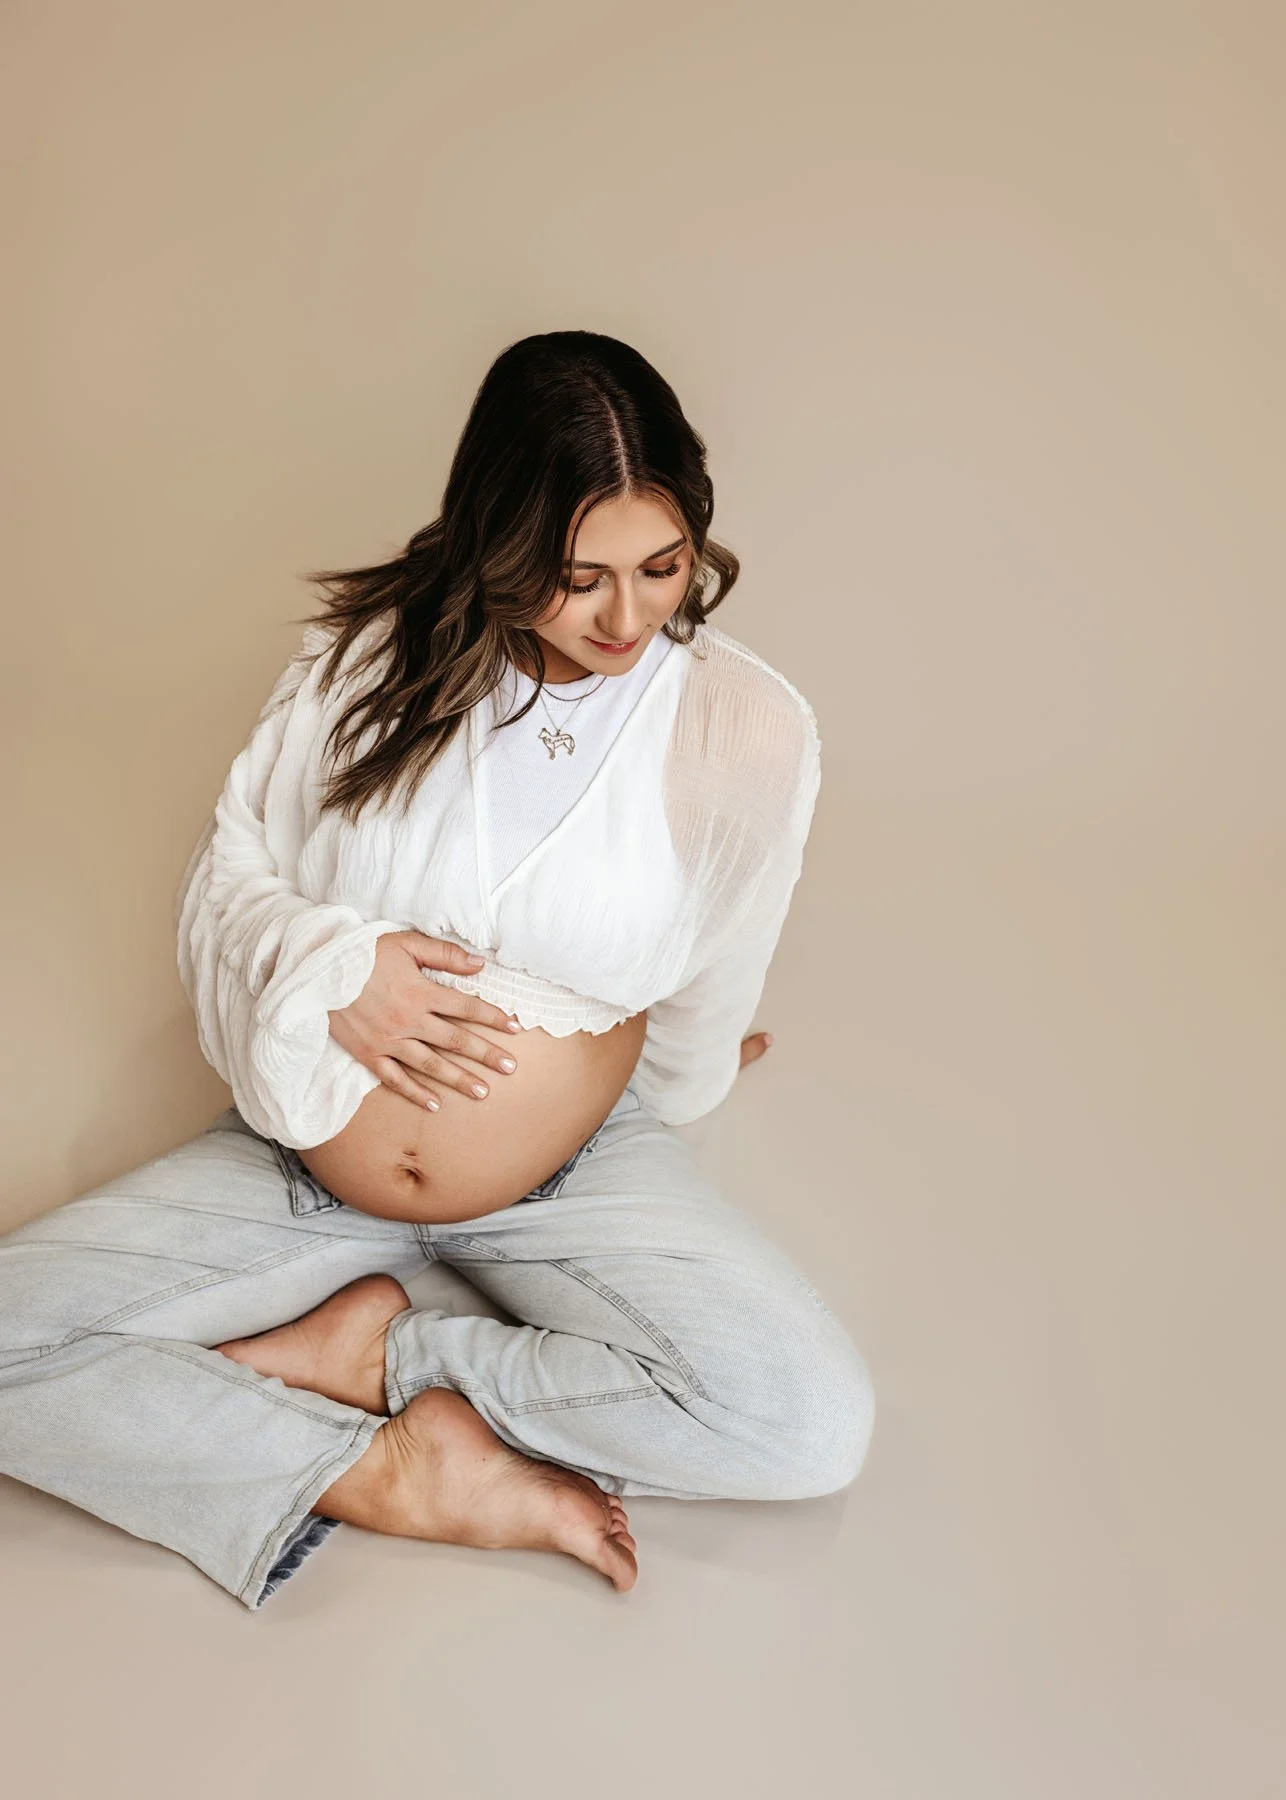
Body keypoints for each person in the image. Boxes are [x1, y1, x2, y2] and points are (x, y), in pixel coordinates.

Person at [0, 331, 875, 1610]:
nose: (626, 618)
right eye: (575, 579)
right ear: (497, 543)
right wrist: (332, 964)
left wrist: (681, 1081)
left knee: (806, 1426)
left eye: (660, 565)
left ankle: (388, 1359)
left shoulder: (737, 727)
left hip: (563, 1177)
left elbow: (725, 943)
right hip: (305, 1158)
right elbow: (229, 874)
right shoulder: (366, 660)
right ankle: (377, 1471)